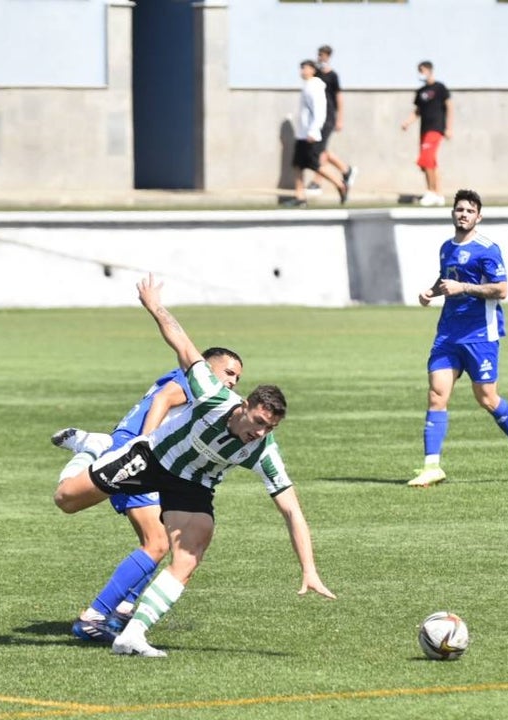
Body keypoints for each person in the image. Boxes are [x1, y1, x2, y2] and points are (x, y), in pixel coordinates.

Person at [53, 274, 335, 658]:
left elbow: (291, 510)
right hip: (152, 459)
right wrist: (155, 306)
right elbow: (183, 344)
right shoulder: (212, 395)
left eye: (269, 428)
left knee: (189, 555)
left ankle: (133, 634)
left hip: (194, 485)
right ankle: (91, 449)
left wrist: (309, 568)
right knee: (66, 500)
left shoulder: (263, 450)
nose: (259, 432)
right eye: (258, 422)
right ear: (245, 406)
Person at [51, 347, 245, 643]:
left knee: (161, 540)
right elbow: (162, 399)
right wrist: (145, 445)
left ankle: (121, 611)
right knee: (151, 539)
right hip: (135, 454)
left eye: (238, 378)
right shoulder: (193, 380)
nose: (232, 381)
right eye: (228, 373)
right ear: (206, 367)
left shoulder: (200, 387)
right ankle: (93, 618)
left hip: (152, 457)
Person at [407, 189, 508, 488]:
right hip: (448, 334)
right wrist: (431, 292)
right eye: (459, 209)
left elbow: (501, 289)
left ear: (479, 216)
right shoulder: (446, 248)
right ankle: (432, 466)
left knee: (486, 398)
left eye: (469, 211)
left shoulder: (487, 249)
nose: (463, 214)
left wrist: (463, 288)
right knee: (437, 394)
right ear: (453, 213)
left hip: (480, 334)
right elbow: (446, 278)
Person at [288, 60, 348, 207]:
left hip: (310, 135)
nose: (302, 71)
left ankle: (340, 184)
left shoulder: (315, 86)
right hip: (302, 134)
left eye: (305, 68)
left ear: (313, 70)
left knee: (315, 165)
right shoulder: (307, 86)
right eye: (301, 69)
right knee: (297, 165)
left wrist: (314, 131)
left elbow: (320, 111)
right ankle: (300, 197)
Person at [401, 61, 452, 207]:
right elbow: (417, 111)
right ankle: (439, 194)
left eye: (422, 70)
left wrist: (449, 128)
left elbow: (449, 107)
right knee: (430, 163)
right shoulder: (421, 92)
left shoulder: (440, 88)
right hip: (424, 129)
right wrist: (407, 122)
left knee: (426, 159)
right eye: (419, 71)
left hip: (436, 129)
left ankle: (431, 192)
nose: (420, 73)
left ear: (429, 70)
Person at [315, 45, 357, 192]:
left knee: (319, 150)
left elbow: (339, 97)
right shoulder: (316, 74)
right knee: (320, 150)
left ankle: (317, 181)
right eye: (319, 55)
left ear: (328, 56)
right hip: (317, 117)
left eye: (322, 55)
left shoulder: (333, 76)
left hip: (328, 117)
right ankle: (346, 169)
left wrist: (340, 119)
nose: (320, 57)